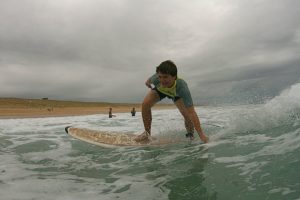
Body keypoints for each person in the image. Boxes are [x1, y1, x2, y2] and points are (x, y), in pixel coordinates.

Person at [134, 60, 209, 143]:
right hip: (161, 90)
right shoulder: (157, 79)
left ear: (174, 77)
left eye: (165, 77)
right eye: (160, 77)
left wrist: (202, 135)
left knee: (187, 116)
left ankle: (190, 136)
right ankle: (147, 134)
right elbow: (149, 80)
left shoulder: (182, 87)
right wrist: (148, 83)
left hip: (176, 95)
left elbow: (192, 112)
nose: (162, 80)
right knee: (145, 105)